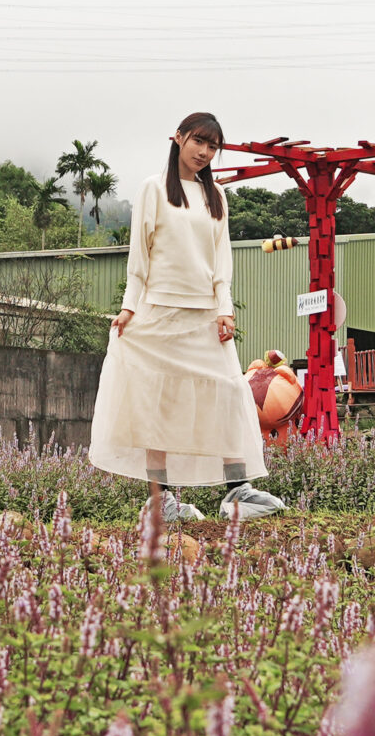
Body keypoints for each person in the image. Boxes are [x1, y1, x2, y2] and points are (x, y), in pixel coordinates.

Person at [87, 112, 288, 522]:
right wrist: (129, 306)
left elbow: (222, 260)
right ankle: (161, 500)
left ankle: (239, 491)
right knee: (157, 402)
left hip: (204, 318)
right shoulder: (153, 189)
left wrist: (224, 309)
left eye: (213, 146)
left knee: (230, 395)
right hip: (159, 312)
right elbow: (138, 253)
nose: (204, 152)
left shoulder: (216, 197)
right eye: (199, 141)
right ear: (178, 138)